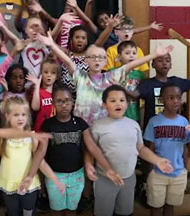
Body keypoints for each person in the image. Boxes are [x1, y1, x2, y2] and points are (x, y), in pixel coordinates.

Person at [37, 31, 173, 126]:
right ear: (87, 60)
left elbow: (132, 64)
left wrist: (154, 55)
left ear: (105, 61)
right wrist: (52, 45)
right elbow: (67, 61)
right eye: (93, 57)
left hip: (104, 126)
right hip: (82, 126)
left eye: (101, 57)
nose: (97, 60)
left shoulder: (111, 77)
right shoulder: (81, 76)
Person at [89, 85, 174, 216]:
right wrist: (89, 165)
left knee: (125, 212)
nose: (118, 104)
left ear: (127, 104)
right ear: (104, 105)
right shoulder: (97, 126)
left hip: (128, 179)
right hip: (105, 179)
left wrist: (157, 160)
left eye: (122, 100)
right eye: (113, 101)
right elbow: (91, 150)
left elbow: (140, 148)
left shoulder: (133, 125)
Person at [0, 96, 62, 216]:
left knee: (28, 212)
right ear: (7, 116)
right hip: (8, 185)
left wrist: (56, 180)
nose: (20, 118)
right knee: (13, 212)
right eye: (16, 115)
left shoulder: (32, 137)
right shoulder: (2, 138)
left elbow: (40, 162)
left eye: (23, 114)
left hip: (29, 185)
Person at [42, 86, 123, 215]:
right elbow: (41, 154)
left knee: (72, 210)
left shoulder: (80, 124)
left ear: (73, 102)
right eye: (59, 101)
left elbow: (92, 147)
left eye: (67, 100)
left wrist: (108, 168)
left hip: (76, 176)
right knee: (56, 210)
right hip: (54, 176)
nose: (64, 105)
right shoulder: (48, 125)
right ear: (53, 103)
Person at [144, 83, 190, 216]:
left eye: (178, 97)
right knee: (156, 207)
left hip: (178, 172)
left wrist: (185, 168)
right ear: (162, 100)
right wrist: (150, 170)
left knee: (170, 206)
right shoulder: (154, 121)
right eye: (170, 98)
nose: (175, 101)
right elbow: (149, 148)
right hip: (158, 173)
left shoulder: (184, 122)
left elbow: (185, 147)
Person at [136, 53, 190, 128]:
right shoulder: (147, 84)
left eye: (167, 61)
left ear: (171, 65)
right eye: (160, 60)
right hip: (153, 129)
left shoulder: (177, 82)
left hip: (175, 128)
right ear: (153, 65)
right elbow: (134, 95)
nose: (164, 63)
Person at [109, 40, 145, 122]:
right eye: (127, 53)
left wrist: (121, 88)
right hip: (115, 115)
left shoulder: (140, 75)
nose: (131, 56)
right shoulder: (112, 72)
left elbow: (137, 95)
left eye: (134, 53)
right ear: (118, 57)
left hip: (133, 115)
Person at [28, 59, 59, 132]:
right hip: (40, 130)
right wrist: (37, 86)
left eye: (53, 73)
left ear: (57, 76)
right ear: (41, 74)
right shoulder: (38, 91)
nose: (49, 75)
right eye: (46, 72)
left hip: (55, 130)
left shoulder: (58, 93)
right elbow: (35, 107)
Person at [60, 25, 89, 92]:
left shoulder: (89, 55)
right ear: (71, 40)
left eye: (83, 38)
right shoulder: (66, 54)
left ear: (87, 41)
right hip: (66, 95)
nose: (80, 40)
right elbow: (53, 47)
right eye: (77, 37)